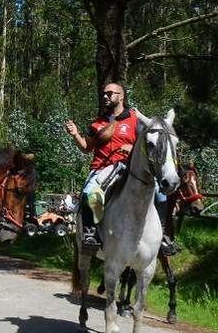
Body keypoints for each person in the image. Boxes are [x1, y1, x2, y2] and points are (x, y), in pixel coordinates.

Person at [64, 83, 175, 254]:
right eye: (104, 94)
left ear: (121, 96)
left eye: (110, 93)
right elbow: (87, 147)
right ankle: (90, 234)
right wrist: (76, 135)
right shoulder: (98, 123)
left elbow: (148, 142)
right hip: (102, 168)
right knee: (89, 193)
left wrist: (132, 149)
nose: (105, 97)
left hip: (129, 167)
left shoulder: (135, 119)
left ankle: (163, 237)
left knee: (161, 196)